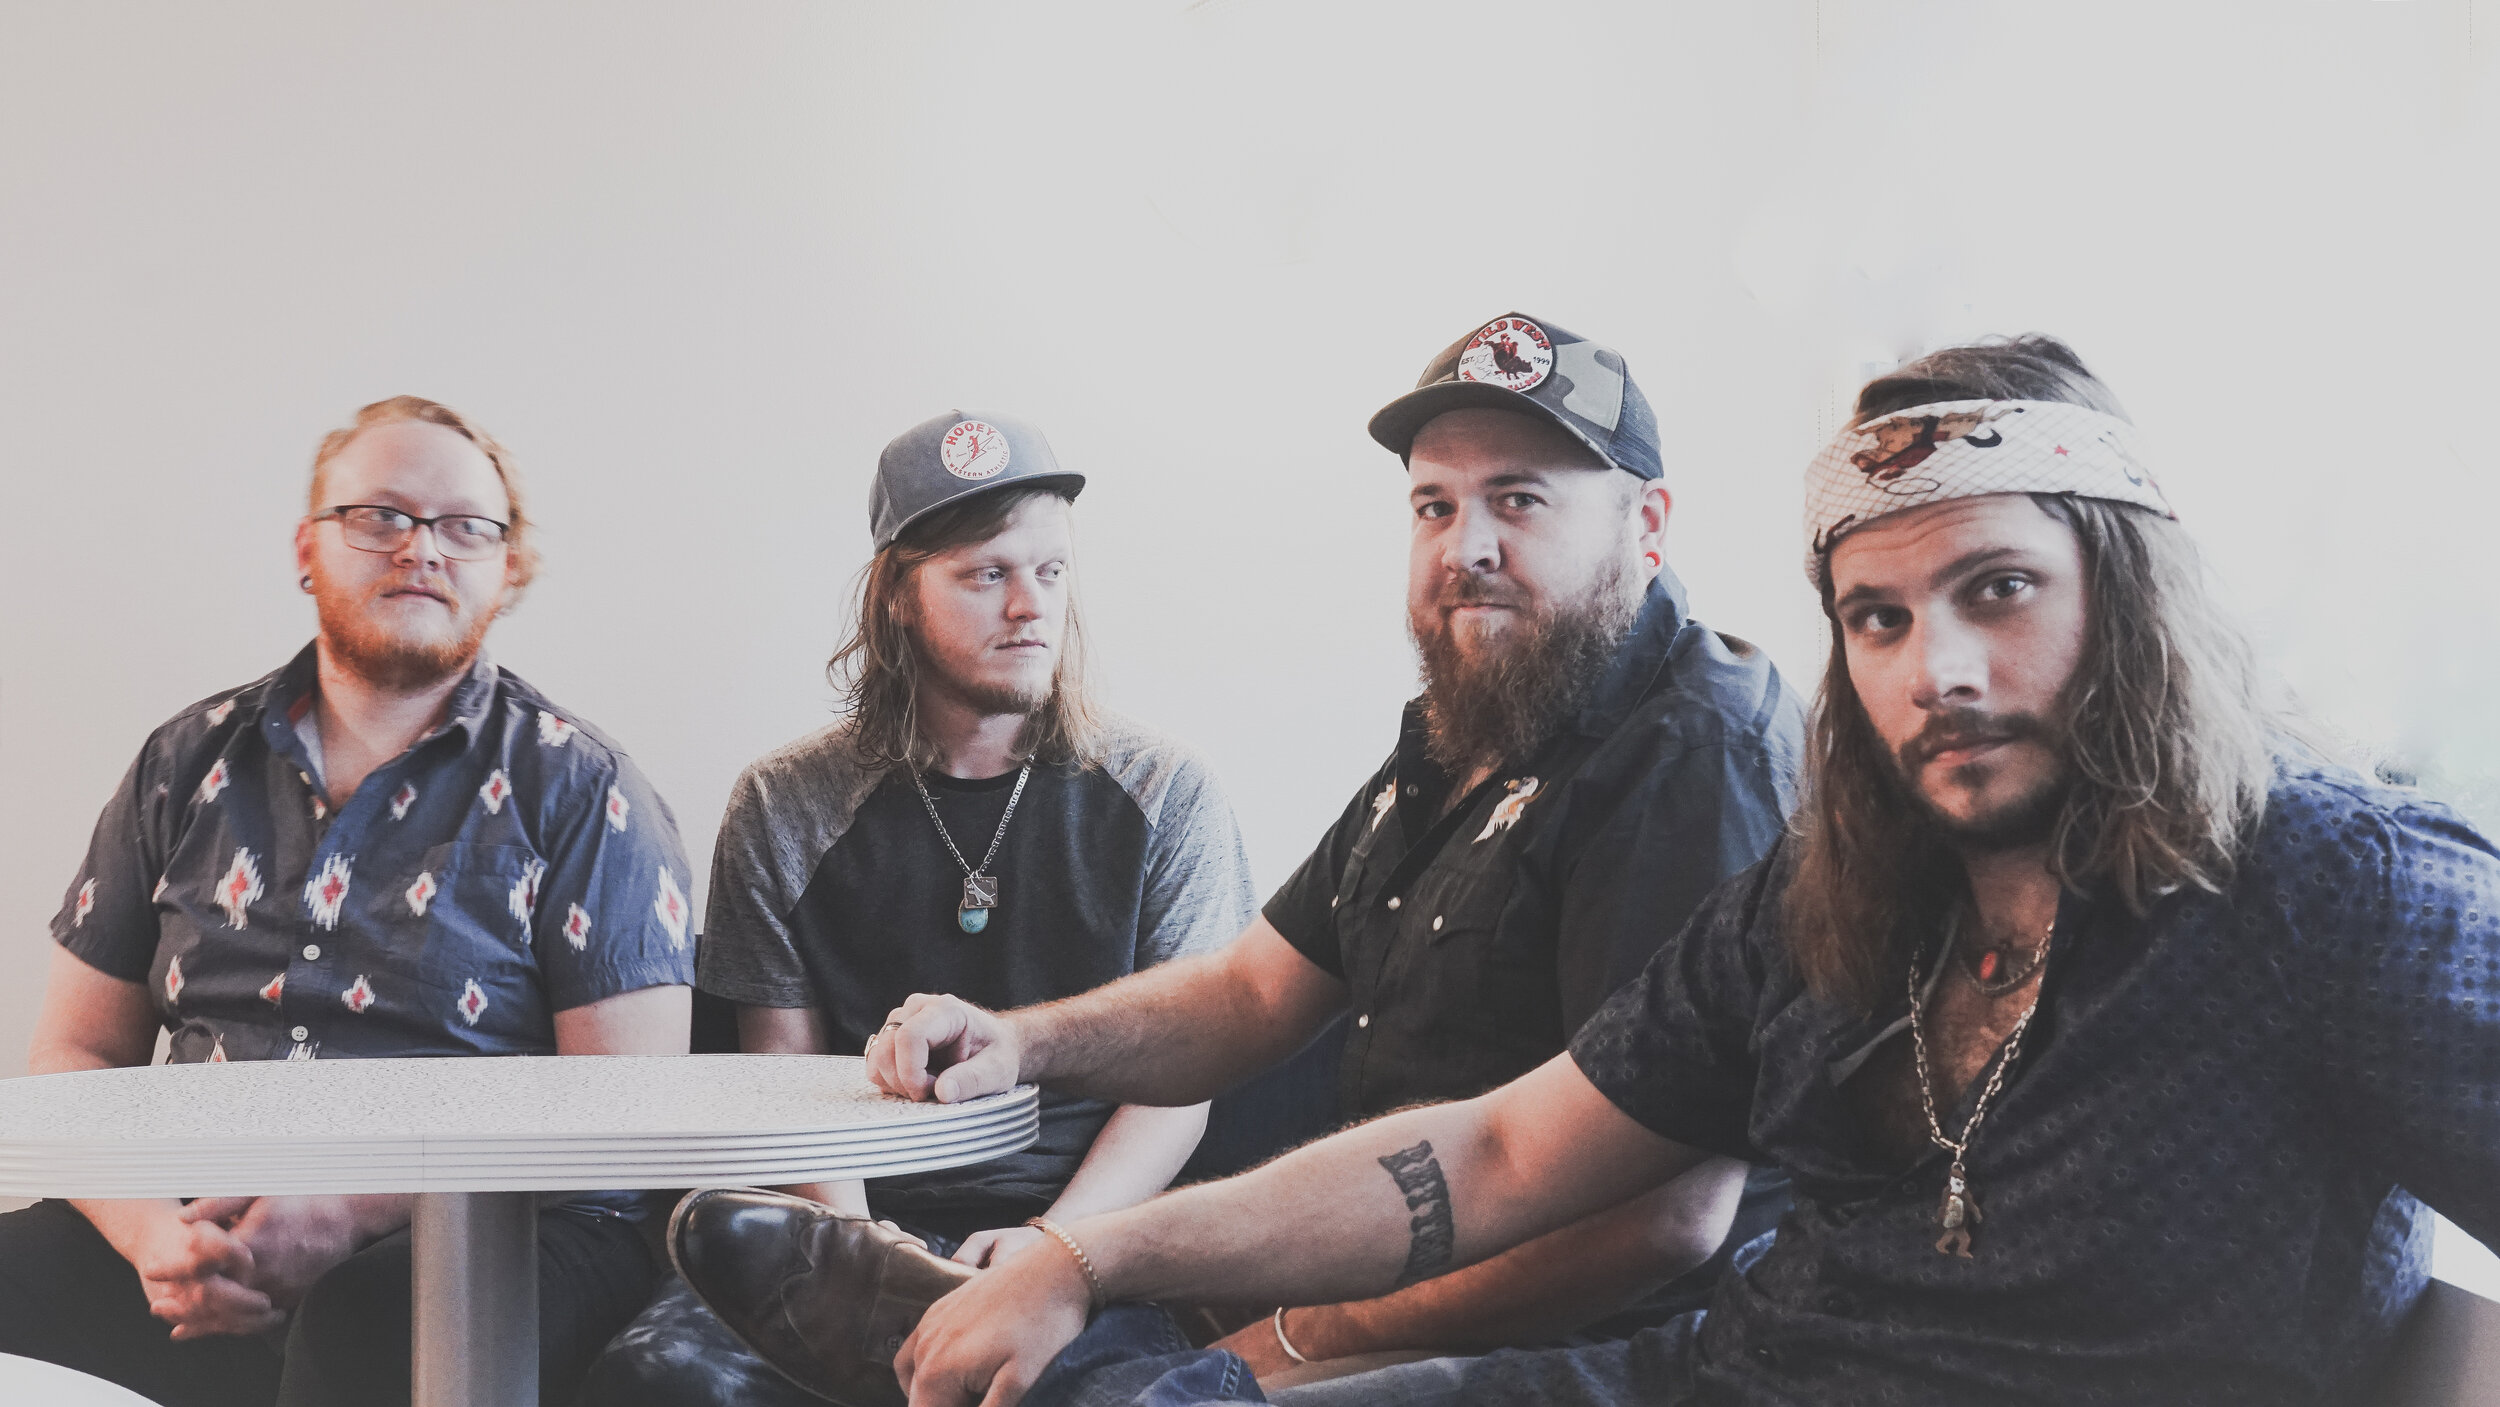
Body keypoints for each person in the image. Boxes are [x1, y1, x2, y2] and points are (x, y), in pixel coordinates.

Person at [704, 333, 2500, 1407]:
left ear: (2131, 595)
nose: (1935, 668)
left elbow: (1656, 1226)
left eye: (2000, 589)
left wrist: (1269, 1332)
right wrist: (1087, 1256)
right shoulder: (1841, 894)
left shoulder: (2328, 882)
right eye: (1878, 617)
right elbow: (1495, 1149)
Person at [673, 313, 1807, 1401]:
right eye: (1434, 504)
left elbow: (1656, 1223)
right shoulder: (1472, 726)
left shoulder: (1691, 751)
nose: (1467, 547)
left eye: (1519, 499)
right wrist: (1021, 1042)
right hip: (1384, 1269)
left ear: (1647, 524)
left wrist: (1266, 1334)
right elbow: (1251, 991)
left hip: (1591, 1342)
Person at [0, 397, 697, 1407]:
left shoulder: (586, 788)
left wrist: (346, 1211)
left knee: (365, 1321)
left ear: (507, 567)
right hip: (199, 1221)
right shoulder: (182, 763)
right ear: (307, 548)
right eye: (379, 515)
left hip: (494, 1224)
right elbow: (77, 1053)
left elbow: (628, 1107)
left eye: (465, 526)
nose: (421, 548)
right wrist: (152, 1232)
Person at [575, 410, 1255, 1407]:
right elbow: (785, 1079)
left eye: (1051, 571)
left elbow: (1181, 1082)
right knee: (656, 1382)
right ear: (898, 593)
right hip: (841, 1226)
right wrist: (857, 1248)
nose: (1029, 605)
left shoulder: (1165, 792)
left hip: (1078, 1230)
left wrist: (1054, 1247)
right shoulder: (784, 802)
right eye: (987, 574)